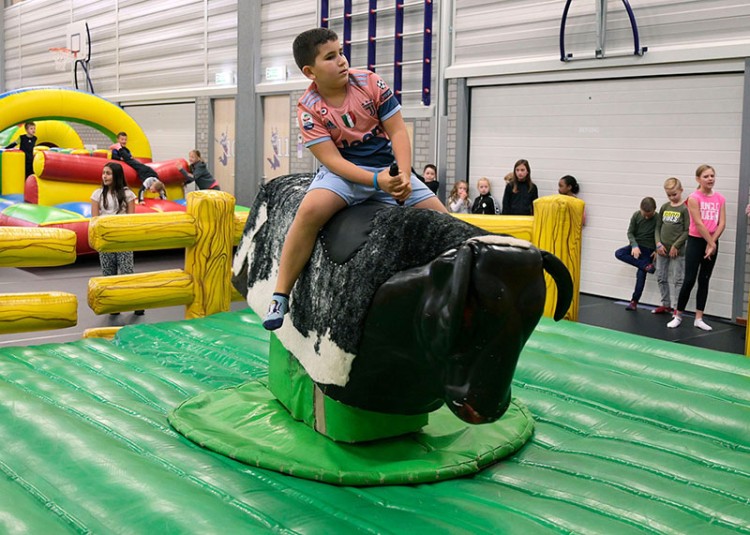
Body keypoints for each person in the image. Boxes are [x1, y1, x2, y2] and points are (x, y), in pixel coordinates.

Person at [262, 27, 446, 331]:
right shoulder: (309, 108)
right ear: (310, 72)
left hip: (387, 168)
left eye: (342, 52)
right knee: (308, 212)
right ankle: (281, 294)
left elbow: (398, 131)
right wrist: (378, 183)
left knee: (443, 219)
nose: (342, 61)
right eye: (331, 57)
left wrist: (400, 173)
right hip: (343, 176)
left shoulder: (371, 82)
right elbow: (332, 160)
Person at [667, 165, 726, 331]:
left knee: (704, 279)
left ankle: (699, 318)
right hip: (696, 241)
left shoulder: (720, 198)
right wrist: (710, 243)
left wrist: (712, 242)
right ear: (698, 179)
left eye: (712, 176)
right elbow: (698, 223)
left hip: (712, 242)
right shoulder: (693, 198)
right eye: (706, 176)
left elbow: (722, 222)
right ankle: (678, 315)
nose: (710, 179)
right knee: (690, 279)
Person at [90, 162, 144, 316]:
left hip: (122, 238)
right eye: (103, 173)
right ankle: (114, 304)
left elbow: (131, 218)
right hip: (106, 240)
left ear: (116, 176)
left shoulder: (128, 194)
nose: (104, 176)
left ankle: (136, 302)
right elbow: (94, 219)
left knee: (127, 271)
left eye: (108, 173)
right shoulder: (97, 194)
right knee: (108, 273)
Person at [652, 177, 689, 315]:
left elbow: (687, 230)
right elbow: (657, 227)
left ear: (681, 190)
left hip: (677, 251)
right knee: (661, 276)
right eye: (669, 195)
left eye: (675, 194)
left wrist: (676, 245)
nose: (672, 197)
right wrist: (658, 244)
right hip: (662, 249)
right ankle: (665, 304)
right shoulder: (665, 207)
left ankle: (676, 308)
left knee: (678, 279)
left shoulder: (684, 209)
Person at [614, 197, 657, 311]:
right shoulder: (636, 216)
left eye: (650, 214)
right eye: (645, 214)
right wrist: (634, 245)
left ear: (654, 210)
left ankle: (634, 301)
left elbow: (660, 234)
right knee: (619, 253)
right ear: (640, 209)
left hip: (649, 249)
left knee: (641, 276)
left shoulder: (657, 218)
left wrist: (657, 250)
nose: (647, 217)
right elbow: (630, 232)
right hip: (637, 246)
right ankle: (645, 265)